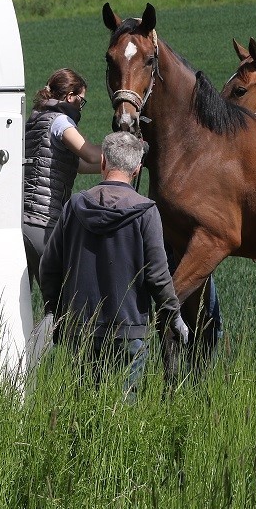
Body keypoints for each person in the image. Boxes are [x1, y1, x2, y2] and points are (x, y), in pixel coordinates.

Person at [35, 132, 188, 401]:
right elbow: (157, 275)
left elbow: (49, 267)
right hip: (129, 331)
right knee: (123, 411)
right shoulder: (146, 211)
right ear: (137, 168)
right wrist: (173, 315)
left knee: (81, 406)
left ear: (103, 161)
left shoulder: (74, 206)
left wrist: (56, 313)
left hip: (80, 329)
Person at [23, 69, 102, 278]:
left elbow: (80, 165)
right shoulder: (60, 121)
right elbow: (90, 155)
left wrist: (121, 166)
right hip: (43, 221)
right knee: (62, 291)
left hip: (22, 221)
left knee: (21, 294)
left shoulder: (35, 120)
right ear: (70, 97)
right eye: (81, 100)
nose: (80, 107)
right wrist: (128, 148)